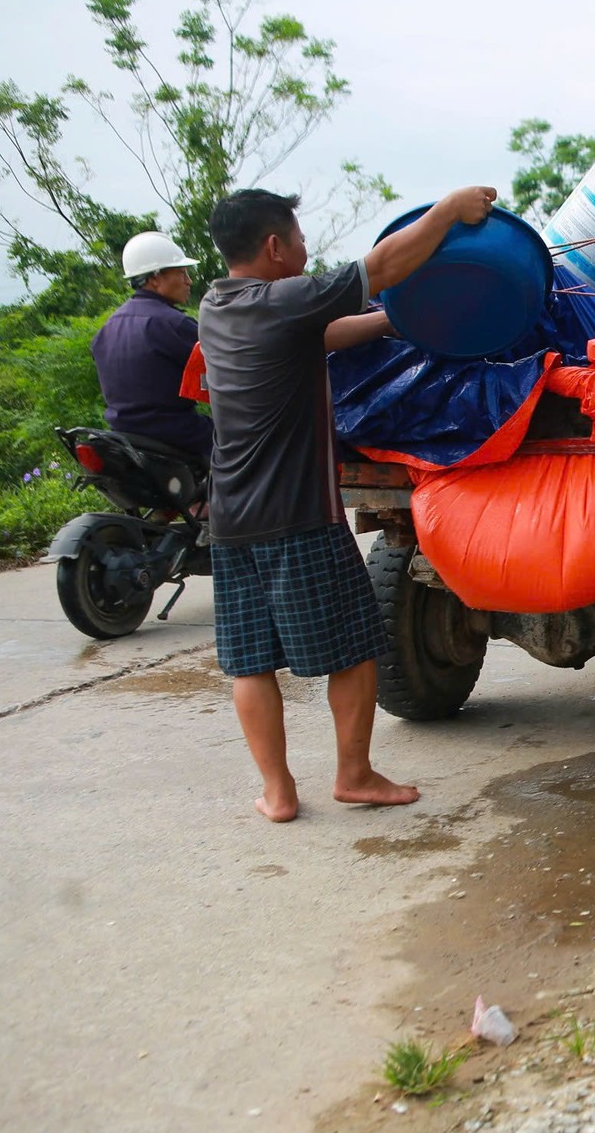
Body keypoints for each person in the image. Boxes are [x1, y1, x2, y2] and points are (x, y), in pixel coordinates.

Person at [197, 183, 496, 822]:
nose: (306, 247)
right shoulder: (286, 299)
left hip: (230, 517)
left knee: (249, 661)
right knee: (358, 645)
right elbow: (383, 267)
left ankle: (278, 794)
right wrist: (447, 209)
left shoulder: (218, 305)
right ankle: (354, 775)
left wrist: (398, 321)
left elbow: (323, 337)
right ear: (275, 247)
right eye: (300, 237)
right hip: (298, 512)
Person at [89, 231, 213, 461]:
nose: (189, 281)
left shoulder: (108, 327)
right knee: (247, 445)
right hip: (176, 433)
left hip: (123, 434)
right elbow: (216, 375)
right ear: (155, 278)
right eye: (182, 273)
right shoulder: (174, 324)